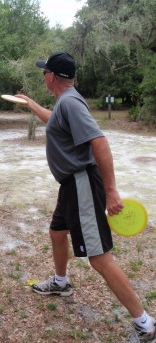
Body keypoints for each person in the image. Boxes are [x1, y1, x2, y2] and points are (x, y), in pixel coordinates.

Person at [16, 51, 156, 342]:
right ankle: (61, 282)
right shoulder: (64, 103)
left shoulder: (70, 103)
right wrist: (31, 104)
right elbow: (52, 119)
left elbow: (99, 142)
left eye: (45, 72)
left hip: (81, 184)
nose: (44, 75)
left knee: (99, 258)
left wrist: (111, 191)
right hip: (70, 186)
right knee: (57, 232)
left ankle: (145, 325)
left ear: (51, 76)